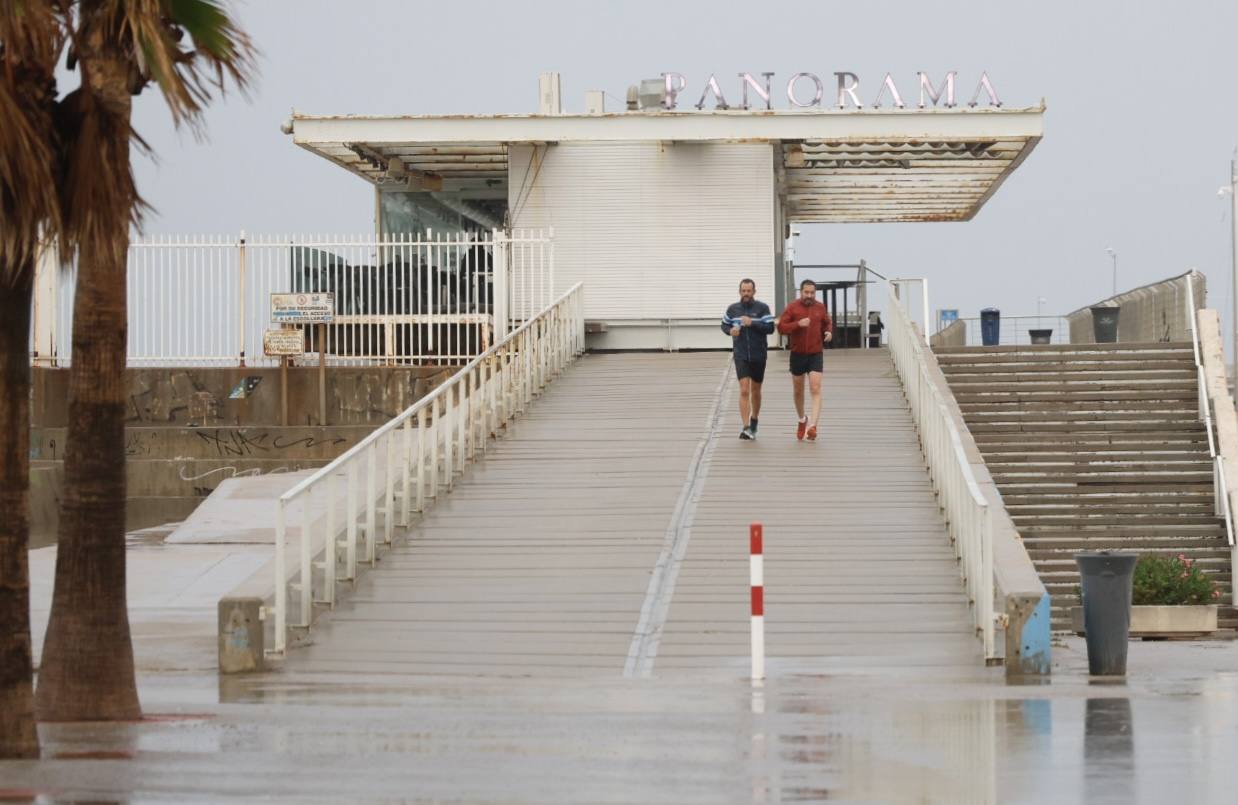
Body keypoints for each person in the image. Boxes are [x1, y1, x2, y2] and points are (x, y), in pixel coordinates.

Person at [777, 279, 834, 441]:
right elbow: (781, 327)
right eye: (806, 292)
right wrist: (797, 324)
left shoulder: (820, 307)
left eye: (812, 293)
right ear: (800, 292)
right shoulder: (793, 307)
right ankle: (802, 419)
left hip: (816, 353)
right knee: (798, 390)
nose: (809, 295)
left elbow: (827, 323)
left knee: (815, 388)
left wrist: (829, 332)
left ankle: (813, 426)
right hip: (797, 354)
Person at [722, 278, 775, 440]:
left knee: (756, 390)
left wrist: (752, 323)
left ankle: (754, 420)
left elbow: (770, 328)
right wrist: (730, 331)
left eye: (749, 291)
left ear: (754, 292)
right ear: (739, 291)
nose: (746, 294)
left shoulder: (762, 308)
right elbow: (724, 325)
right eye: (743, 291)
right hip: (741, 354)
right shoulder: (733, 309)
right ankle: (746, 427)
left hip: (759, 354)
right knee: (744, 389)